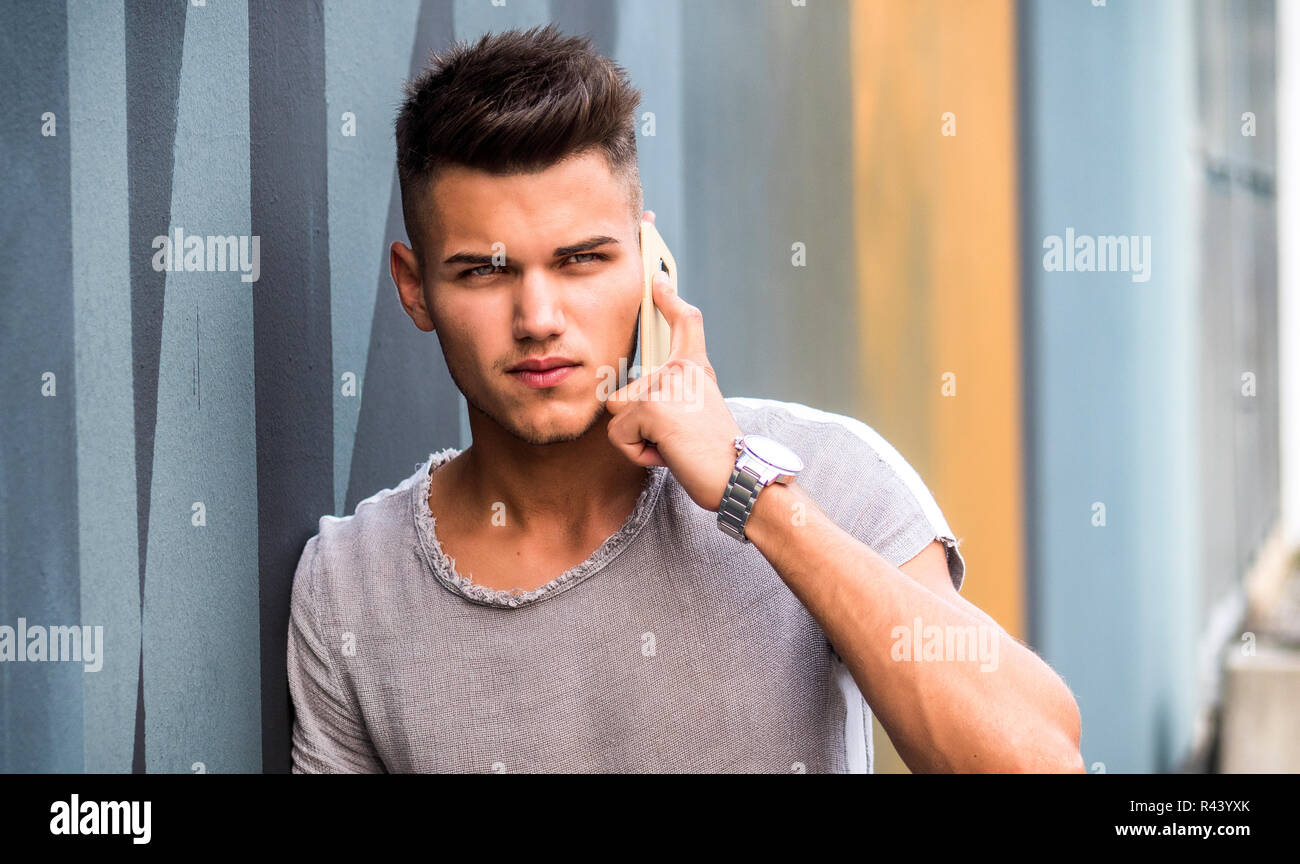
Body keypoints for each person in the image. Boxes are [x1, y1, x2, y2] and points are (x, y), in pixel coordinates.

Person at [287, 23, 1083, 773]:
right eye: (485, 271)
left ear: (647, 264)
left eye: (581, 261)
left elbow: (1037, 762)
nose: (538, 320)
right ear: (414, 287)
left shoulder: (824, 474)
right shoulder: (351, 584)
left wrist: (754, 497)